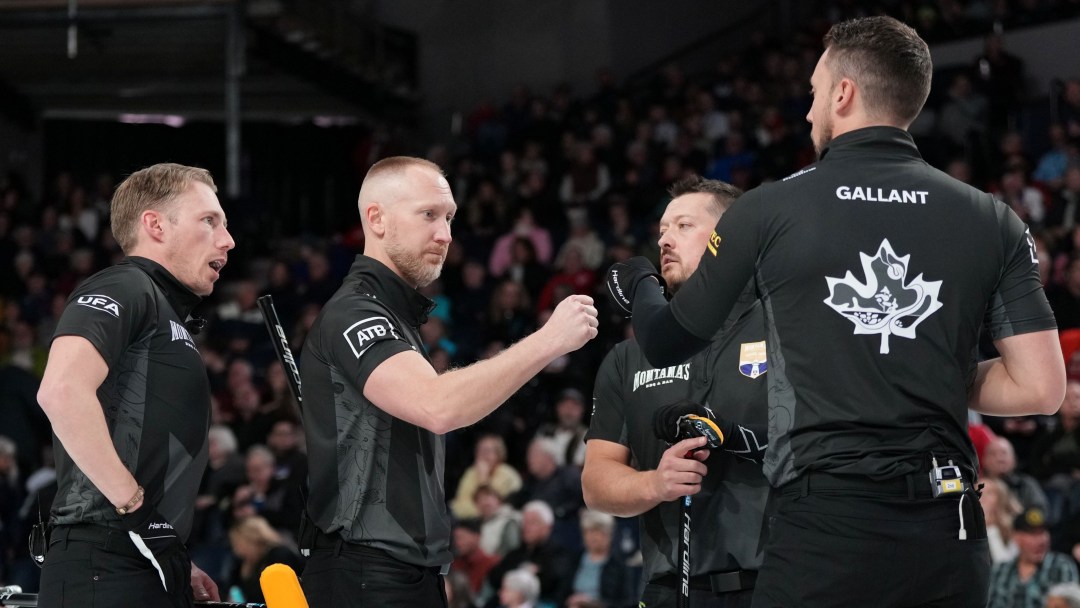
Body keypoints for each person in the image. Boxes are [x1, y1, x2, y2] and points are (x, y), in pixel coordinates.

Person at [605, 16, 1065, 608]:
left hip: (825, 526)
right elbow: (1042, 387)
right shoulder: (991, 218)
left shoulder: (769, 209)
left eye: (815, 92)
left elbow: (667, 339)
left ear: (844, 93)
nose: (808, 110)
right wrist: (924, 368)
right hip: (947, 528)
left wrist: (640, 279)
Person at [298, 156, 598, 608]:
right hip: (366, 573)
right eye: (429, 214)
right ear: (376, 219)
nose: (445, 235)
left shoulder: (394, 317)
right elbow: (438, 406)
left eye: (450, 217)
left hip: (399, 572)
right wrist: (549, 340)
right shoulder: (355, 312)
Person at [36, 163, 235, 607]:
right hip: (104, 560)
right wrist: (140, 516)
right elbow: (61, 391)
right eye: (209, 220)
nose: (228, 239)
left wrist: (175, 556)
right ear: (155, 225)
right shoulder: (125, 283)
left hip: (136, 558)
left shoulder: (164, 311)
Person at [585, 176, 769, 608]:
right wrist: (655, 483)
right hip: (670, 590)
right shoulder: (628, 357)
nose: (665, 240)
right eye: (662, 230)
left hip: (778, 581)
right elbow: (596, 483)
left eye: (683, 226)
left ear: (732, 238)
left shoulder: (786, 327)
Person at [987, 507, 1080, 608]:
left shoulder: (1062, 566)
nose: (1040, 541)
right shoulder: (1000, 570)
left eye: (1042, 533)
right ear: (1016, 537)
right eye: (1033, 535)